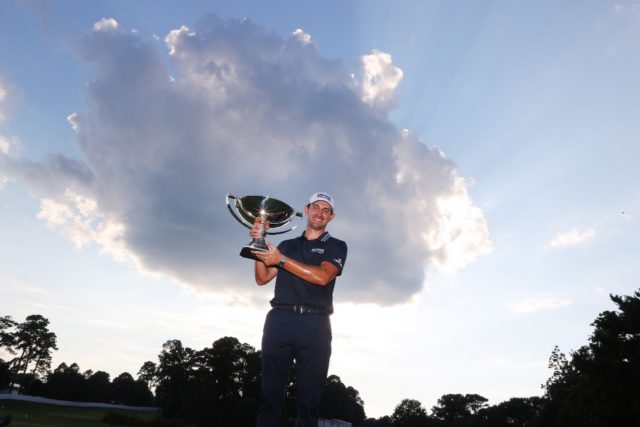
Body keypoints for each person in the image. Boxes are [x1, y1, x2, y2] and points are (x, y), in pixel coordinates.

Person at [250, 192, 348, 427]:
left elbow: (324, 277)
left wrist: (281, 260)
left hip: (315, 325)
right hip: (280, 320)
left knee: (308, 401)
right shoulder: (287, 245)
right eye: (316, 207)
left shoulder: (336, 246)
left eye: (326, 210)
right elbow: (262, 278)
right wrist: (259, 242)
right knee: (270, 397)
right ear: (306, 209)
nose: (320, 213)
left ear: (331, 217)